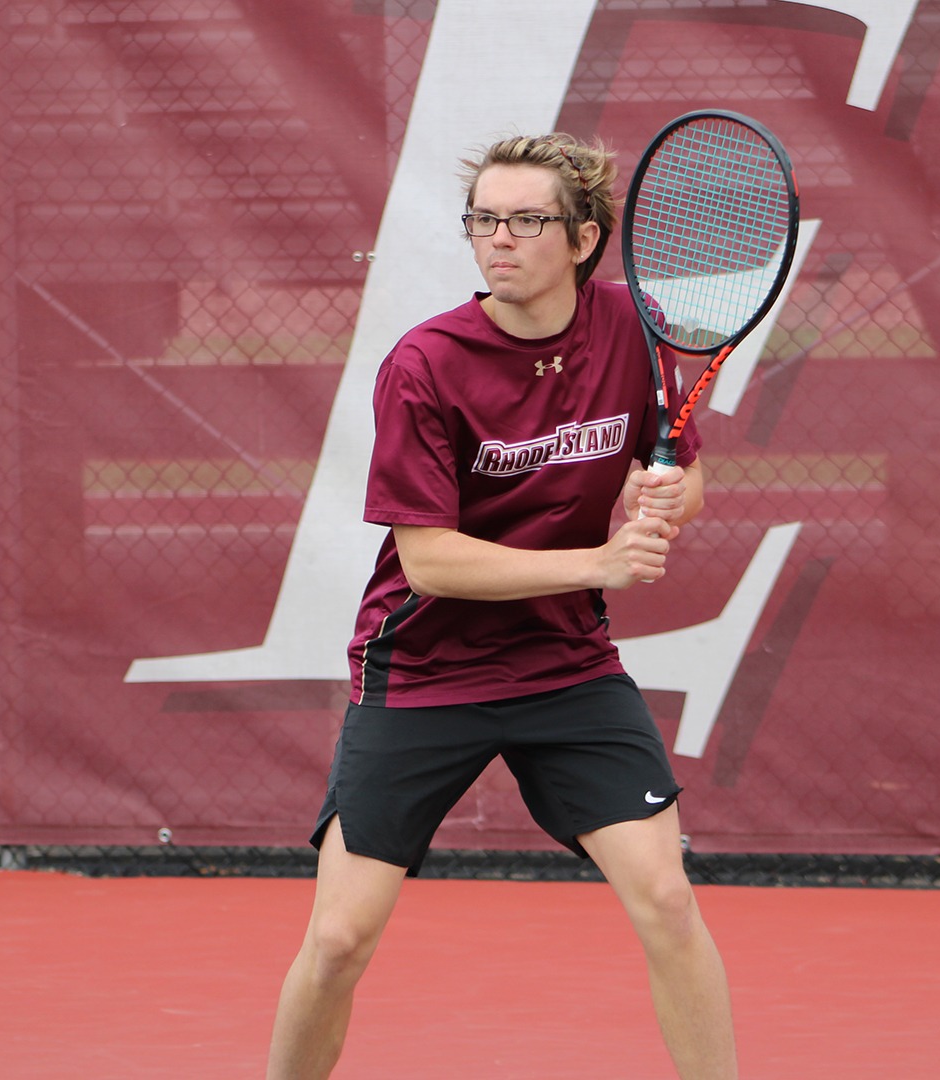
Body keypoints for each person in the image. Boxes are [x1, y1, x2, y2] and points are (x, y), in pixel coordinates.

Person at [264, 132, 738, 1079]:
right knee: (338, 942)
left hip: (567, 667)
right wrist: (601, 558)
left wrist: (664, 502)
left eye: (527, 221)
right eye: (484, 219)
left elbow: (682, 476)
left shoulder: (633, 327)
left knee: (667, 900)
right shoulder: (426, 363)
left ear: (585, 238)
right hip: (424, 670)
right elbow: (431, 561)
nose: (498, 240)